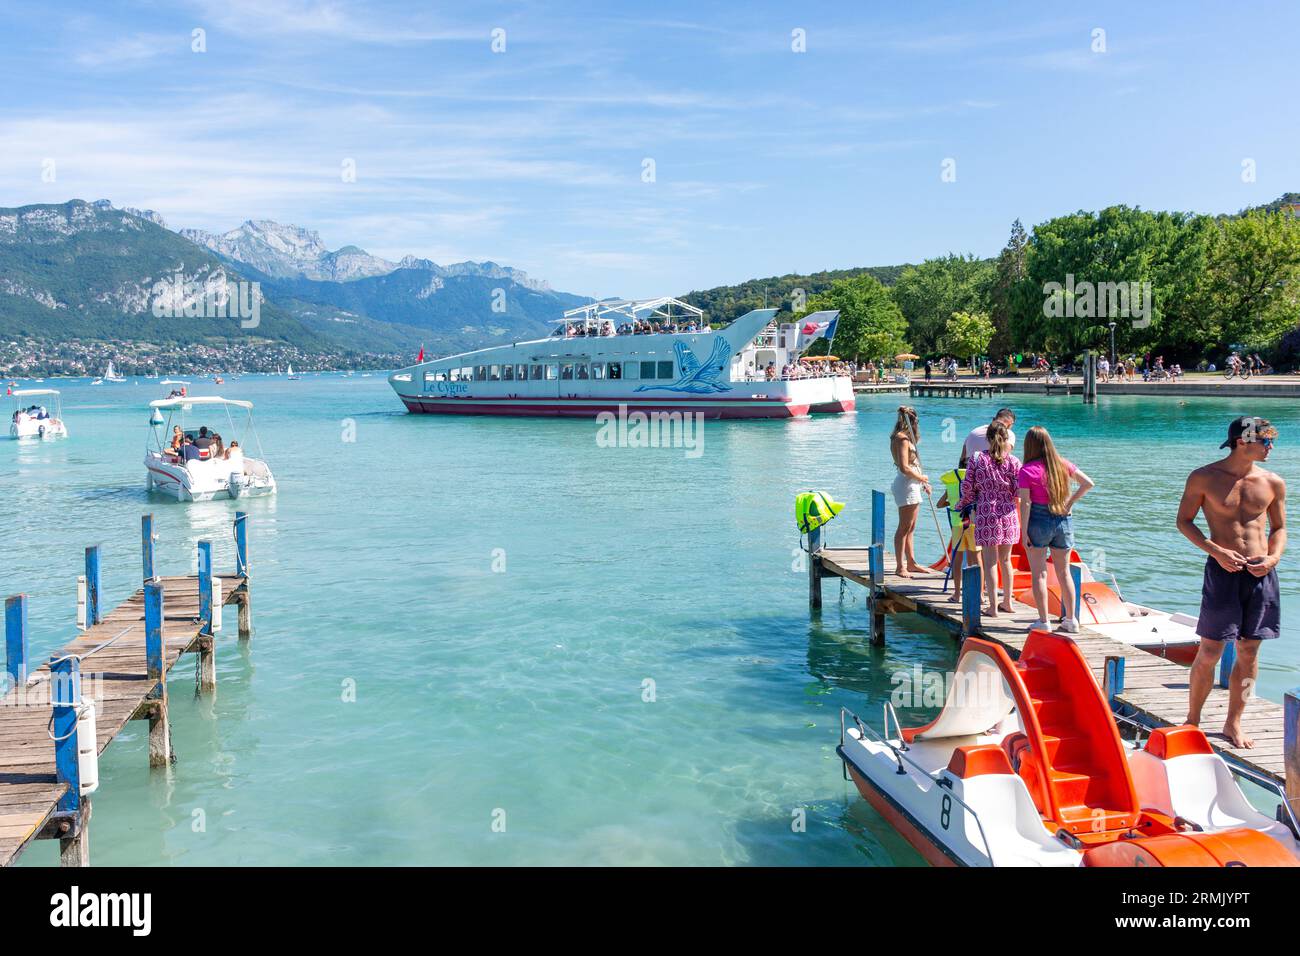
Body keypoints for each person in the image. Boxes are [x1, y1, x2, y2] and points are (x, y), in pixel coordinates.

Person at [1177, 416, 1285, 749]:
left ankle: (1233, 724)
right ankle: (1192, 720)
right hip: (1223, 572)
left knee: (1250, 651)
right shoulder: (1204, 477)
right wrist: (1215, 550)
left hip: (1260, 573)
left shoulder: (1272, 482)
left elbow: (1279, 528)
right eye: (1265, 441)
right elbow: (1184, 521)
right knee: (1210, 650)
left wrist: (1272, 558)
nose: (1270, 447)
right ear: (1243, 441)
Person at [1016, 426, 1095, 633]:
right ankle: (1071, 620)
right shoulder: (1063, 464)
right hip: (1063, 519)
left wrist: (1023, 533)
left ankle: (1043, 622)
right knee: (1064, 572)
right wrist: (1069, 504)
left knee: (1040, 574)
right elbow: (1088, 484)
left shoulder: (1026, 470)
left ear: (1029, 446)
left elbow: (1025, 504)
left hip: (1038, 520)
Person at [959, 421, 1022, 617]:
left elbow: (967, 487)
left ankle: (993, 607)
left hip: (987, 513)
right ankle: (1008, 603)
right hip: (1009, 513)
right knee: (1006, 560)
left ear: (987, 439)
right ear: (1006, 439)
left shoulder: (978, 459)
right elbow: (1019, 491)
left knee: (990, 562)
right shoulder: (1014, 461)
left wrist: (963, 504)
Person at [889, 406, 931, 577]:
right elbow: (905, 467)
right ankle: (900, 567)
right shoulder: (902, 439)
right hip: (906, 485)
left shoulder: (906, 438)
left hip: (913, 484)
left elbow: (913, 466)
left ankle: (911, 562)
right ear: (913, 421)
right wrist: (922, 478)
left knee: (911, 527)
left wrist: (922, 482)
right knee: (904, 527)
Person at [936, 465, 977, 604]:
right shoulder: (974, 482)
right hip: (972, 523)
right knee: (975, 561)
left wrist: (953, 502)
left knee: (957, 560)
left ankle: (957, 594)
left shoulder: (952, 484)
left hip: (957, 524)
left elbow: (939, 504)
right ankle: (979, 594)